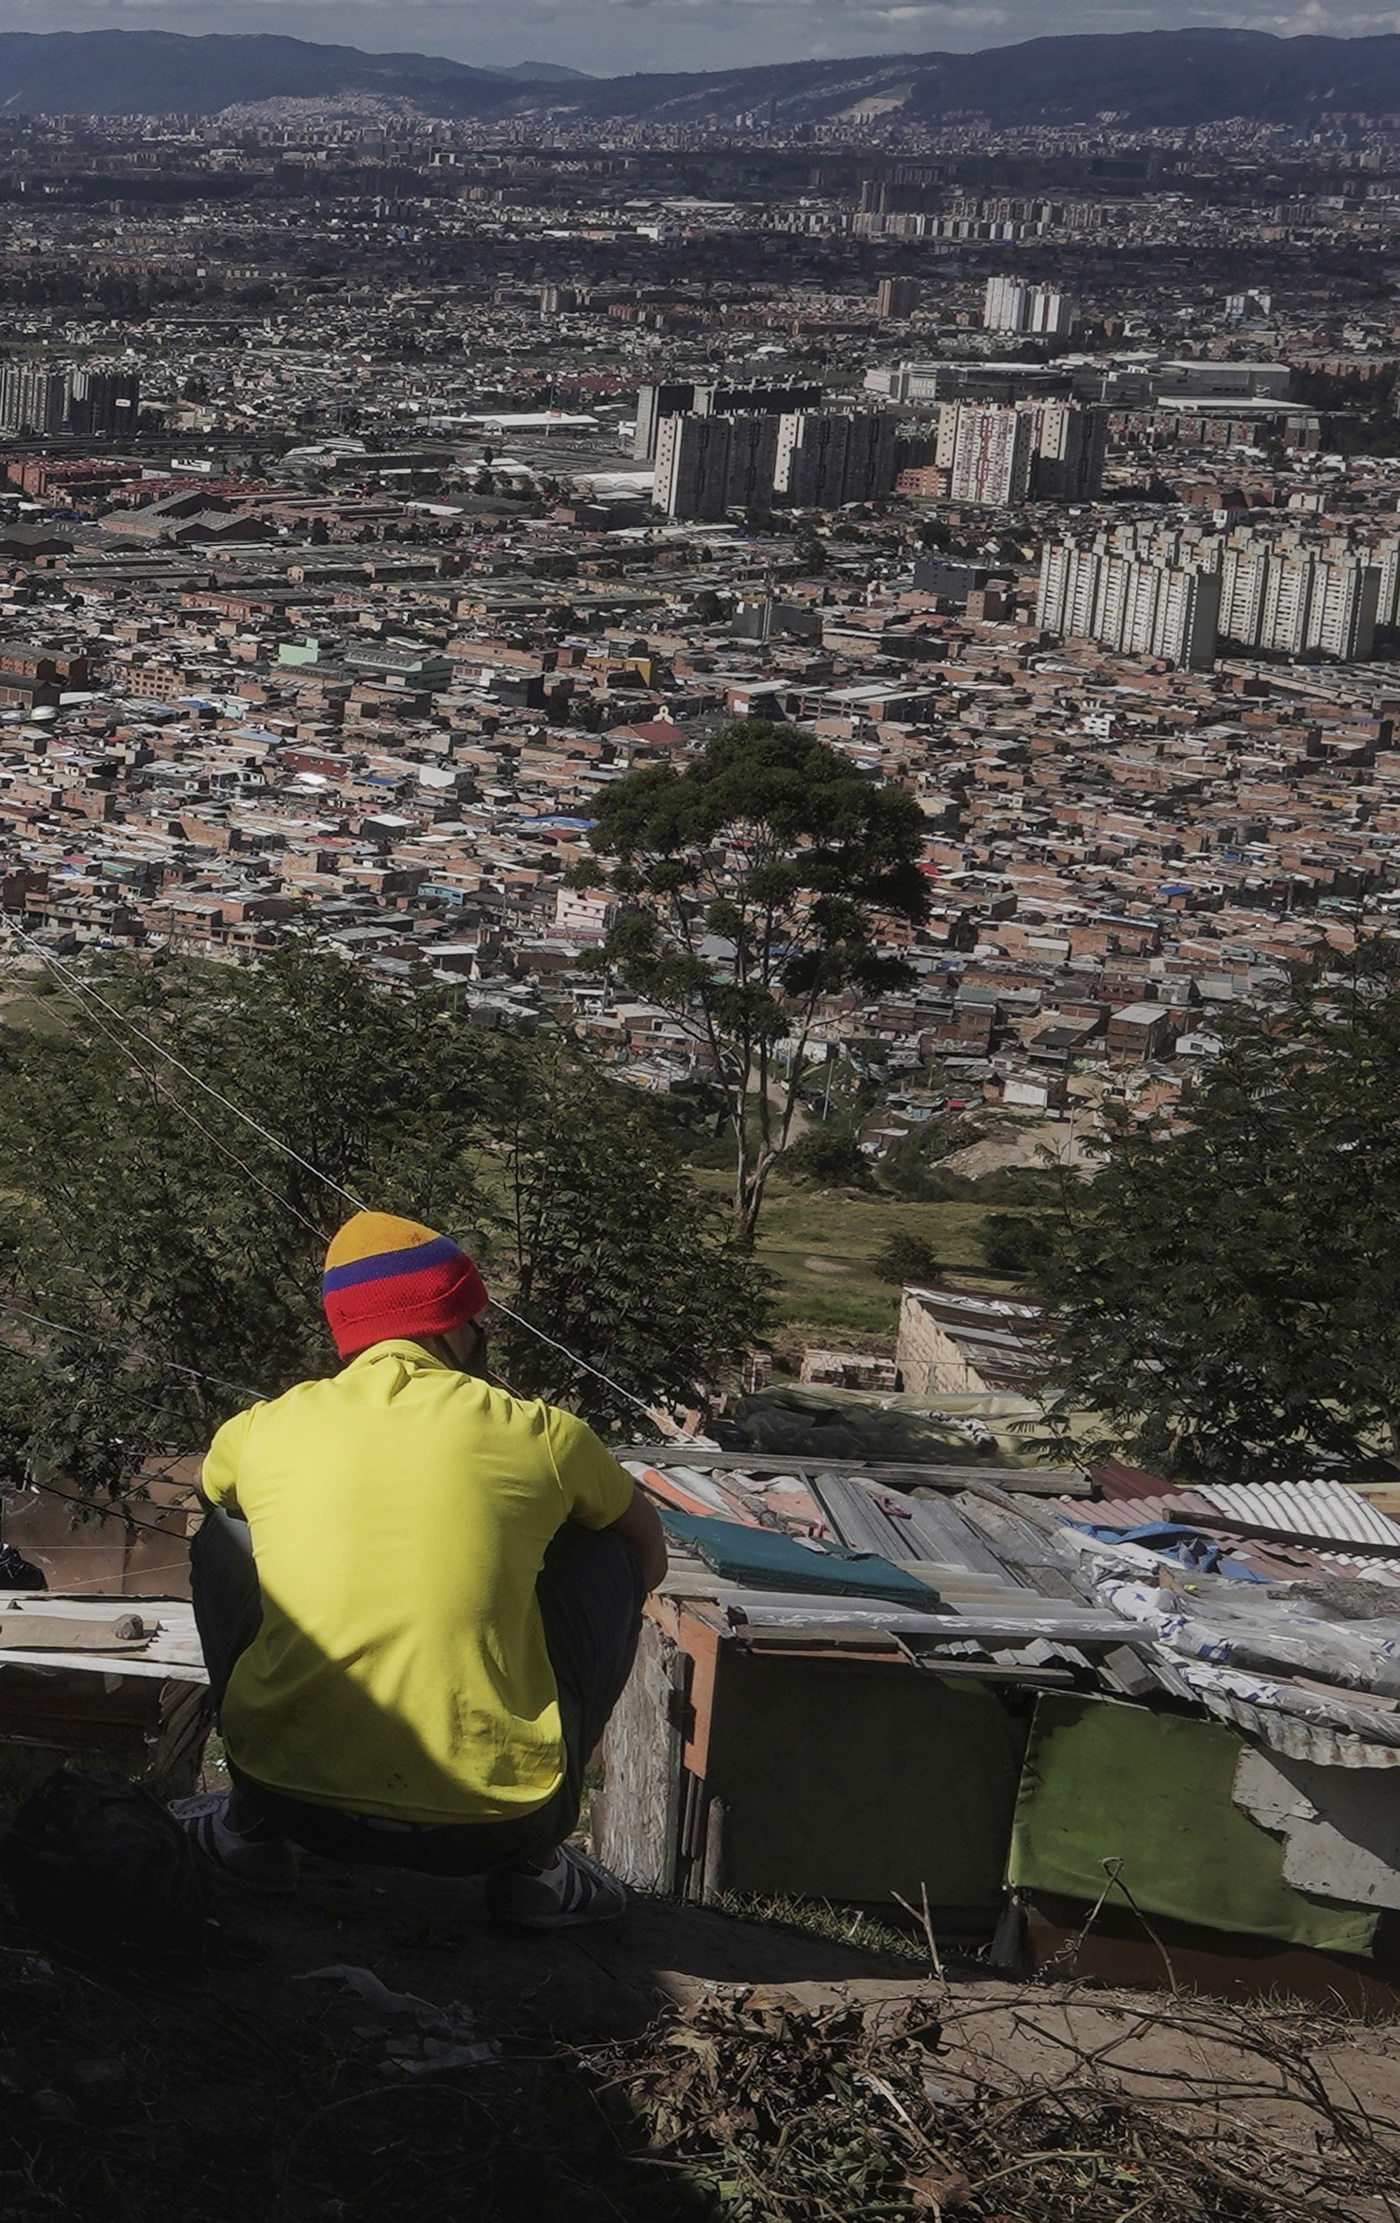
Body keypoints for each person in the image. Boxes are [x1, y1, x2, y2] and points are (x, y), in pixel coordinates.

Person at [173, 1209, 666, 1929]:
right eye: (476, 1320)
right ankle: (538, 1872)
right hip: (502, 1821)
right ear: (448, 1327)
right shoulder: (545, 1435)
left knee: (221, 1533)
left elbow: (207, 1486)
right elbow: (647, 1554)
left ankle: (249, 1833)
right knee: (610, 1550)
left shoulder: (263, 1427)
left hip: (289, 1795)